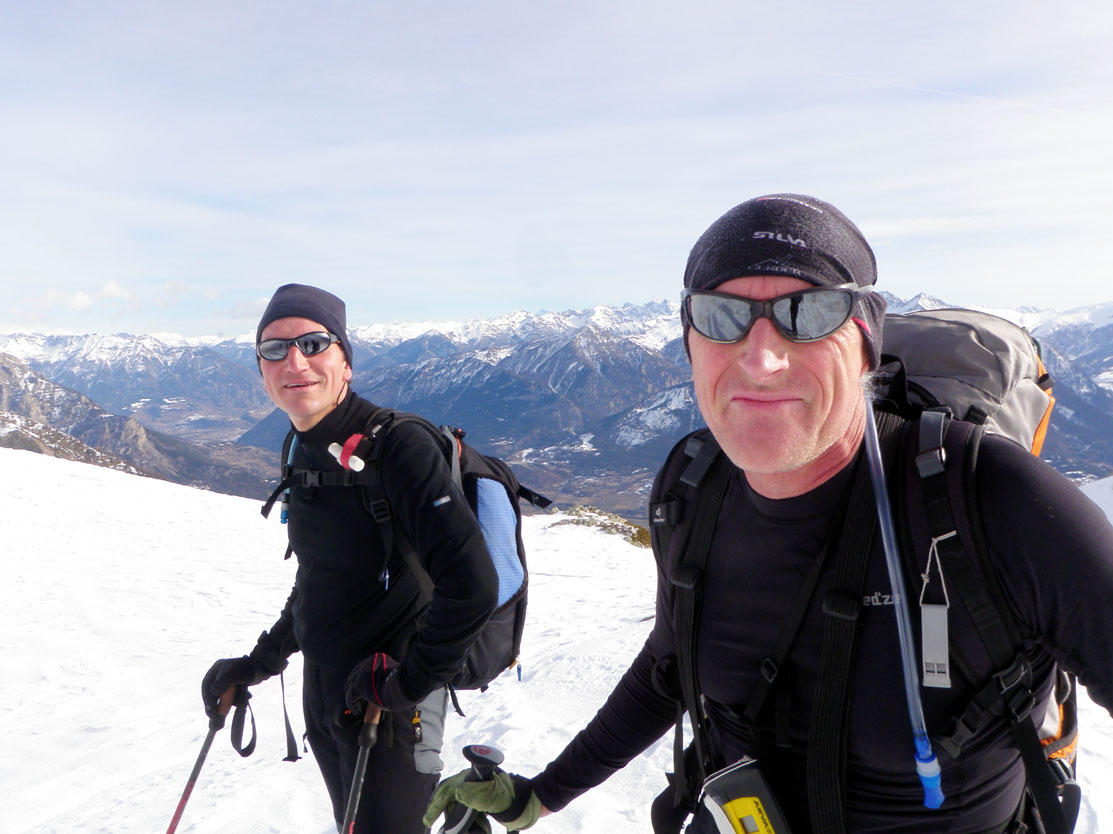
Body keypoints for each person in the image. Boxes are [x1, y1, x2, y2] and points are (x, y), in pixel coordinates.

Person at [421, 194, 1113, 833]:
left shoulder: (988, 498)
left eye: (806, 313)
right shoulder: (692, 485)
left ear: (865, 337)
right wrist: (542, 794)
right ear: (689, 340)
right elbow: (670, 666)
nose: (760, 358)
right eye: (720, 317)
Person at [201, 284, 498, 834]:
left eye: (313, 343)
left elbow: (475, 585)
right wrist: (259, 663)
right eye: (274, 349)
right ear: (260, 367)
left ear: (346, 361)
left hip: (391, 702)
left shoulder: (400, 447)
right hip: (329, 690)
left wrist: (405, 683)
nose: (295, 361)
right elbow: (319, 579)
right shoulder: (301, 446)